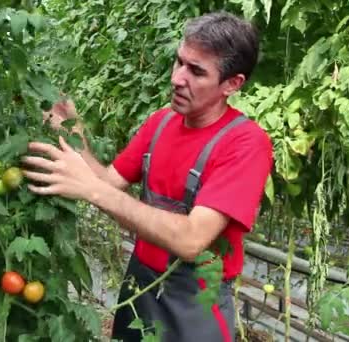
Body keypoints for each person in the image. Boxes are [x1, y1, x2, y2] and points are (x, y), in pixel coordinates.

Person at [21, 11, 273, 342]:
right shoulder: (162, 122)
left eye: (196, 71)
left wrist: (91, 192)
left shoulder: (245, 143)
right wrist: (71, 129)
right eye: (179, 62)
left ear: (232, 84)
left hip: (194, 308)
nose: (177, 78)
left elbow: (191, 239)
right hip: (139, 289)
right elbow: (108, 181)